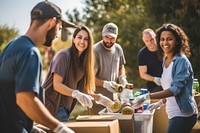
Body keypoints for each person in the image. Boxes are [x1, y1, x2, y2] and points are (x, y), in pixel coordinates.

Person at [0, 1, 77, 133]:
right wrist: (59, 127)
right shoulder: (30, 52)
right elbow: (25, 99)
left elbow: (9, 95)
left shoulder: (12, 46)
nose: (58, 34)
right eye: (59, 28)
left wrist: (30, 127)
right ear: (52, 22)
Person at [133, 23, 198, 133]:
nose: (165, 43)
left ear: (177, 41)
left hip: (183, 114)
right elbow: (170, 88)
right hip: (173, 113)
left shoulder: (181, 61)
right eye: (162, 39)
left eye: (169, 39)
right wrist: (159, 103)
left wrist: (146, 97)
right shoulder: (165, 60)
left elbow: (175, 90)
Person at [42, 25, 114, 122]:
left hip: (65, 108)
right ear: (73, 39)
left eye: (86, 39)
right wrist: (76, 94)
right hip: (52, 106)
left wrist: (100, 98)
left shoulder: (84, 62)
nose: (82, 42)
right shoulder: (63, 56)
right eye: (79, 37)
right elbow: (57, 85)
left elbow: (82, 90)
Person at [89, 22, 128, 114]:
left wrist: (122, 78)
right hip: (98, 100)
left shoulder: (118, 49)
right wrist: (105, 84)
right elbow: (90, 78)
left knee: (113, 126)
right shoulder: (95, 51)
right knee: (98, 127)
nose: (109, 41)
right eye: (107, 37)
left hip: (114, 99)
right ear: (103, 35)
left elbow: (121, 66)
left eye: (112, 38)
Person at [137, 28, 163, 93]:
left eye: (152, 39)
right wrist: (155, 79)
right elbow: (142, 74)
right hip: (154, 87)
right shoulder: (142, 54)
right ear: (143, 41)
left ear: (156, 37)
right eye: (147, 41)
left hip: (170, 84)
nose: (150, 43)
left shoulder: (164, 48)